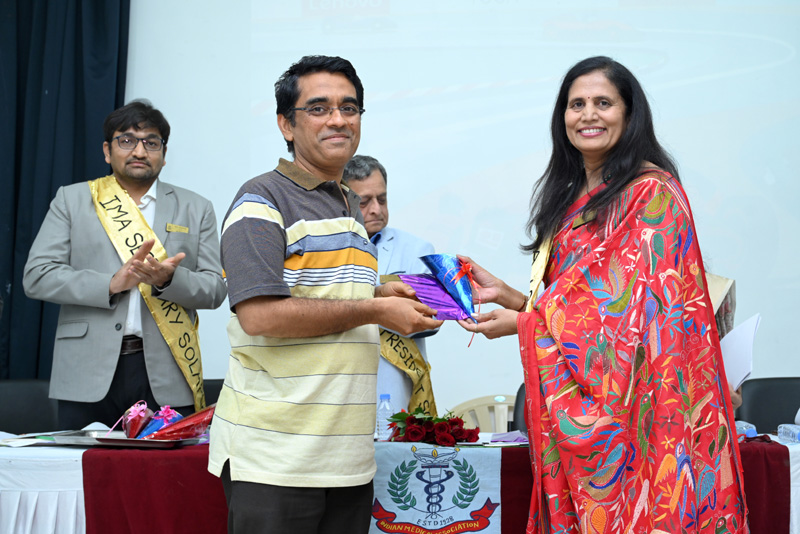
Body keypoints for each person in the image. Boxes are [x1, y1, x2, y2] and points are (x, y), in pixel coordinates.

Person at [458, 57, 748, 533]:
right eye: (576, 104)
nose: (588, 115)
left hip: (644, 405)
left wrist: (524, 324)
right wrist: (511, 297)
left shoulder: (652, 193)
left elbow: (632, 317)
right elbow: (577, 301)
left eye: (603, 103)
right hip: (588, 393)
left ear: (629, 115)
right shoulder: (571, 196)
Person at [207, 55, 442, 534]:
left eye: (349, 107)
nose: (338, 119)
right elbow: (261, 316)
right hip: (276, 459)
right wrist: (376, 308)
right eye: (318, 108)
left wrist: (382, 290)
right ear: (286, 124)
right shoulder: (261, 200)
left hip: (347, 458)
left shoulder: (348, 203)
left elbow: (325, 291)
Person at [23, 100, 227, 429]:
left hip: (167, 371)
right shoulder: (72, 200)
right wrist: (110, 283)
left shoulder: (195, 207)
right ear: (107, 151)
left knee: (165, 463)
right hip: (86, 370)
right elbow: (37, 276)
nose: (139, 151)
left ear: (164, 153)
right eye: (127, 140)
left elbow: (215, 289)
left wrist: (168, 280)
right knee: (80, 462)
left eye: (151, 142)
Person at [343, 155, 439, 416]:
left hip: (394, 384)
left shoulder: (417, 250)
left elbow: (428, 319)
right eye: (365, 202)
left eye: (382, 199)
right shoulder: (324, 250)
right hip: (341, 383)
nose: (376, 209)